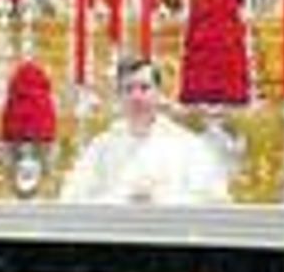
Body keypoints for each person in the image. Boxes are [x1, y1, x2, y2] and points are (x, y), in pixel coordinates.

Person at [61, 56, 233, 204]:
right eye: (128, 89)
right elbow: (72, 198)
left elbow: (215, 199)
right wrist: (122, 199)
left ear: (159, 94)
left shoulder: (187, 145)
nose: (136, 97)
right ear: (119, 97)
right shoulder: (101, 147)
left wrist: (161, 200)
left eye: (144, 88)